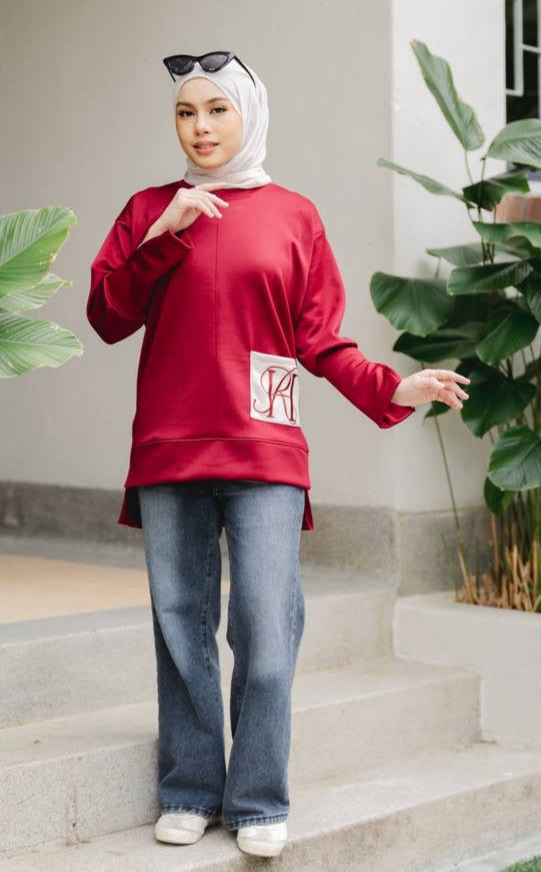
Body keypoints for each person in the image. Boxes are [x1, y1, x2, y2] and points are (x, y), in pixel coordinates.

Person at [86, 50, 471, 858]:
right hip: (169, 447)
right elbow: (108, 316)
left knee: (266, 626)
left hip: (263, 449)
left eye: (216, 110)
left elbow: (318, 338)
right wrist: (162, 236)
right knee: (180, 625)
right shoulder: (149, 209)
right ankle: (190, 789)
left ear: (248, 114)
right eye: (185, 112)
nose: (200, 128)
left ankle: (258, 797)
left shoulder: (294, 215)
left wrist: (392, 389)